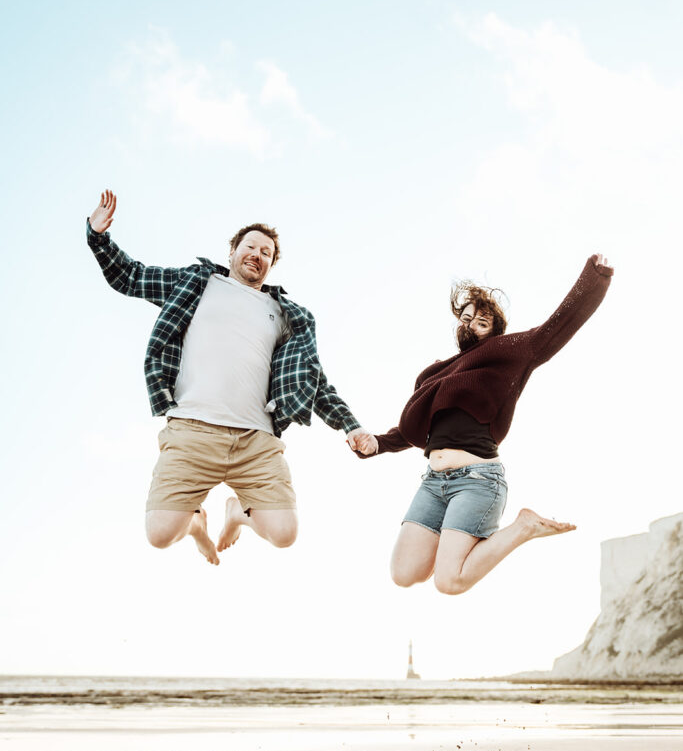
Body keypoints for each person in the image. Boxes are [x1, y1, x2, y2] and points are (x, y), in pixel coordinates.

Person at [87, 190, 369, 565]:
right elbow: (131, 277)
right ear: (233, 251)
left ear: (271, 265)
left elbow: (314, 380)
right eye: (250, 247)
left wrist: (350, 426)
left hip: (255, 440)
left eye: (266, 253)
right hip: (193, 431)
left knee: (285, 534)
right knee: (159, 535)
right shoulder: (195, 284)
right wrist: (98, 236)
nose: (257, 255)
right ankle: (193, 523)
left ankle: (238, 513)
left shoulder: (289, 316)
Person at [353, 254, 614, 595]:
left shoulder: (508, 354)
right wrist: (377, 443)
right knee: (404, 573)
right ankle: (473, 538)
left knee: (450, 581)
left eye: (481, 322)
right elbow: (412, 431)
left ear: (495, 331)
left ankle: (524, 527)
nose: (470, 326)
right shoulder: (436, 373)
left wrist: (595, 277)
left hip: (478, 481)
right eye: (466, 319)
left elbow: (558, 326)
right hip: (434, 483)